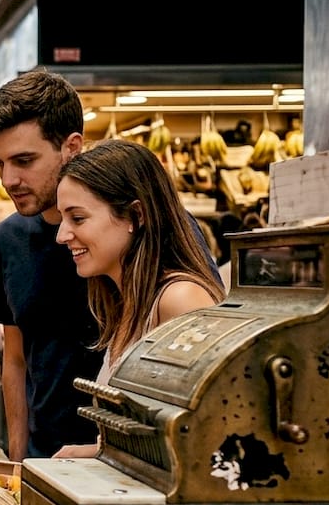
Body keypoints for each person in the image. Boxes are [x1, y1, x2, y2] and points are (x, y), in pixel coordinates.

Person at [0, 70, 221, 460]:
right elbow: (16, 357)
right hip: (66, 462)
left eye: (24, 160)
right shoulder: (7, 241)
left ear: (72, 146)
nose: (9, 179)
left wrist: (102, 452)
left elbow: (204, 410)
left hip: (129, 471)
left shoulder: (165, 266)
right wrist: (19, 459)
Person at [57, 140, 226, 384]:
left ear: (136, 215)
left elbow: (215, 410)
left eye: (78, 218)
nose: (61, 236)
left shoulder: (180, 299)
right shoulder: (128, 303)